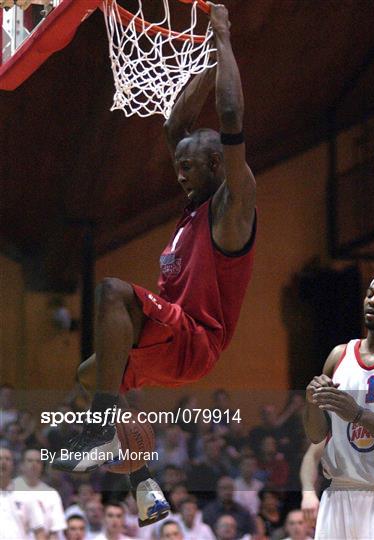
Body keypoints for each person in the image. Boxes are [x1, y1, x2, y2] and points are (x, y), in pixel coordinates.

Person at [54, 1, 256, 529]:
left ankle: (100, 430)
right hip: (171, 338)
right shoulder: (193, 204)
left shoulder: (232, 206)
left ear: (218, 165)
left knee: (113, 292)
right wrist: (207, 59)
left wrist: (225, 38)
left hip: (197, 339)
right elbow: (176, 123)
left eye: (188, 168)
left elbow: (230, 119)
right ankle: (143, 485)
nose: (179, 175)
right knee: (90, 374)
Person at [303, 272, 374, 539]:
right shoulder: (339, 355)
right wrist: (312, 404)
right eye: (370, 294)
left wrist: (357, 414)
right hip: (339, 492)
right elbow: (316, 435)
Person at [13, 448, 67, 539]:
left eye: (38, 461)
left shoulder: (51, 494)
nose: (34, 464)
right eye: (30, 461)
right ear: (21, 465)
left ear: (42, 466)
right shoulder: (9, 489)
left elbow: (55, 530)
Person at [0, 448, 46, 540]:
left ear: (13, 465)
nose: (3, 462)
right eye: (0, 459)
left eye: (7, 459)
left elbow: (39, 531)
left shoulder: (26, 495)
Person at [299, 441, 325, 529]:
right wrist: (308, 493)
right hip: (337, 492)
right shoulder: (334, 428)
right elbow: (311, 456)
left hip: (369, 490)